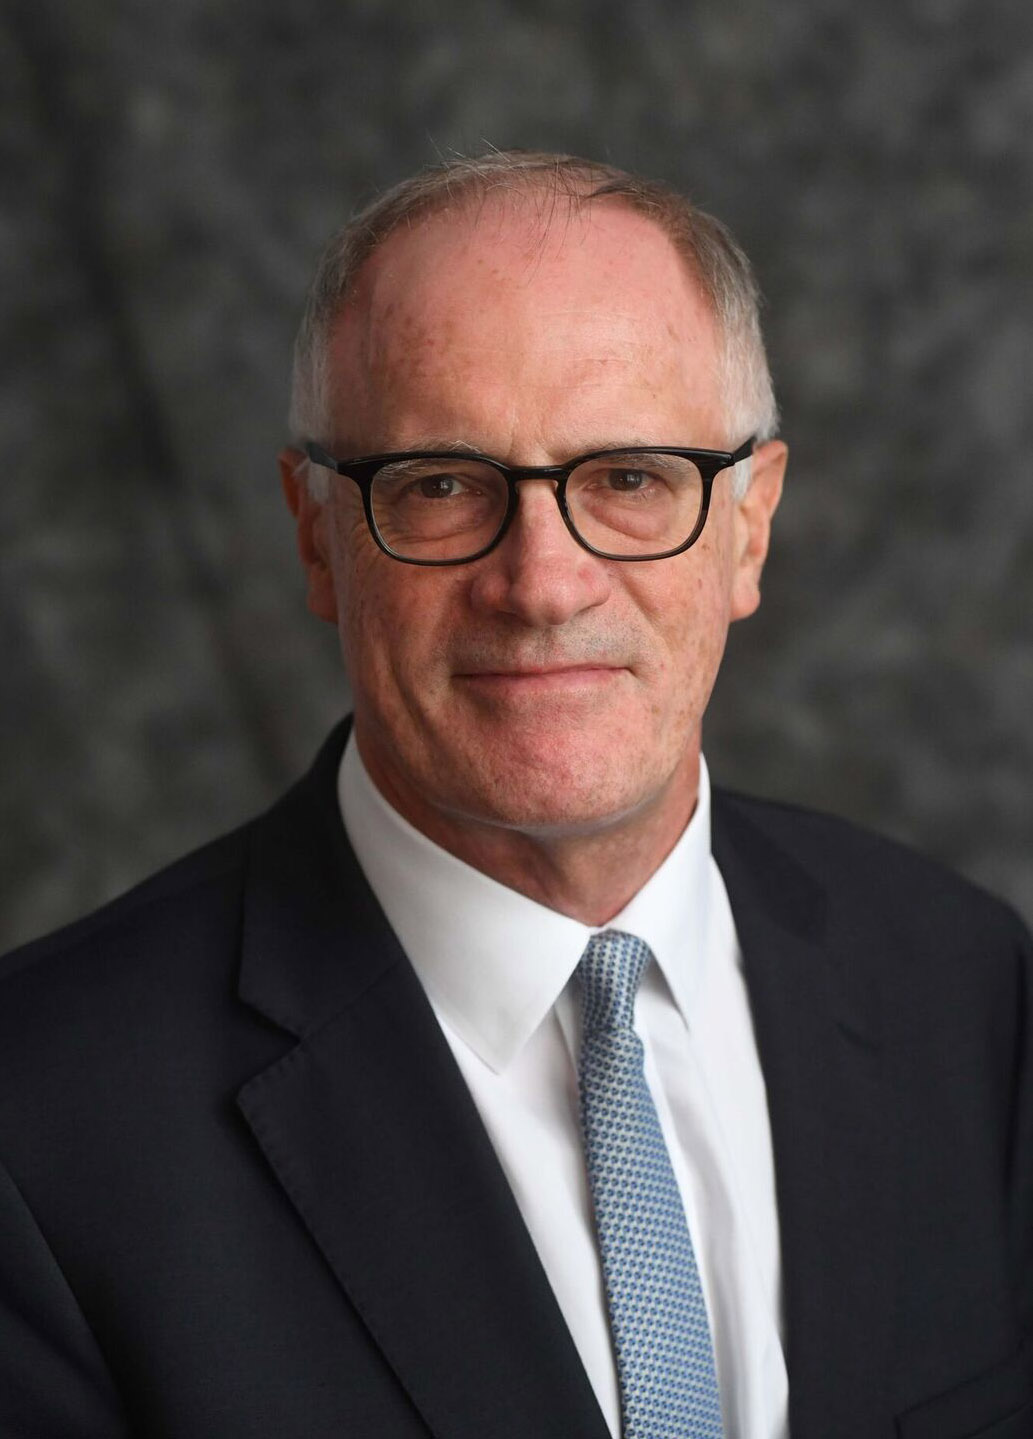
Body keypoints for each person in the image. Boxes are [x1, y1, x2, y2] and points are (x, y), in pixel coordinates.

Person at [0, 150, 1030, 1439]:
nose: (542, 584)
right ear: (317, 534)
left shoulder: (967, 991)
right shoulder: (39, 1126)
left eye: (631, 478)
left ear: (749, 525)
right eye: (440, 485)